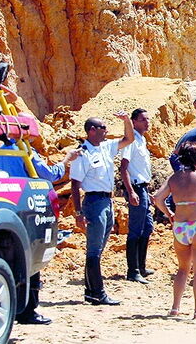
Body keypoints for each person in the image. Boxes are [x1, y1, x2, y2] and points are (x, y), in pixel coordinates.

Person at [0, 143, 79, 325]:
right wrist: (66, 160)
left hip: (3, 206)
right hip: (26, 207)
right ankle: (28, 311)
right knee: (31, 259)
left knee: (8, 259)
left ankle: (9, 307)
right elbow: (49, 174)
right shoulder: (26, 151)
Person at [70, 114, 137, 305]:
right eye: (102, 127)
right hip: (94, 201)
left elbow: (129, 139)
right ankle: (97, 293)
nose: (106, 130)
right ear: (92, 130)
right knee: (93, 249)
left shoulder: (106, 147)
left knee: (98, 250)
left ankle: (92, 292)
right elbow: (75, 184)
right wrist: (78, 213)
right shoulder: (82, 153)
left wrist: (127, 121)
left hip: (107, 201)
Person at [154, 141, 196, 320]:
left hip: (180, 226)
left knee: (182, 269)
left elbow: (157, 198)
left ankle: (175, 307)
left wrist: (169, 213)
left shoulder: (174, 178)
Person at [119, 108, 154, 284]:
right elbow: (123, 168)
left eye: (147, 119)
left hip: (144, 188)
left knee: (147, 227)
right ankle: (132, 270)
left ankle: (141, 266)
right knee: (135, 229)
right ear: (134, 122)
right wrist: (131, 191)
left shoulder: (142, 140)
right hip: (136, 188)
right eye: (143, 119)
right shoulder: (131, 140)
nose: (147, 122)